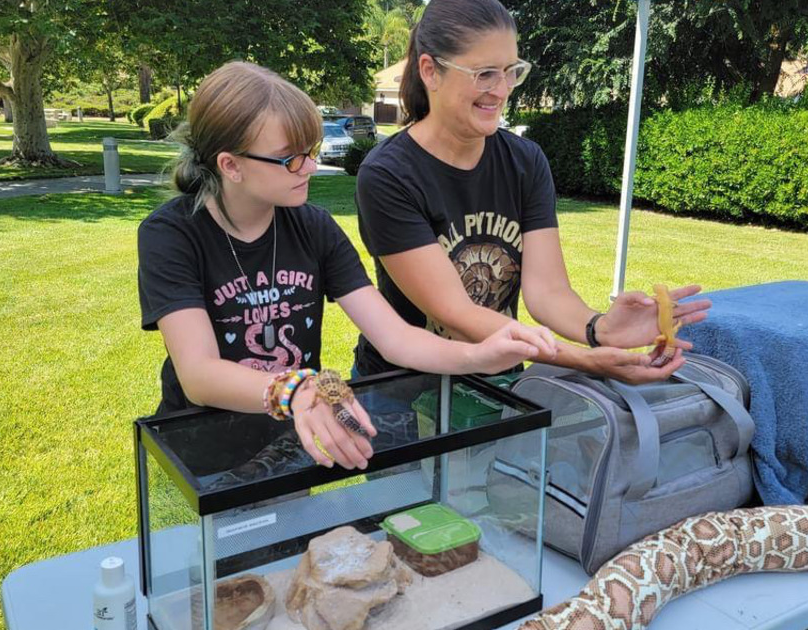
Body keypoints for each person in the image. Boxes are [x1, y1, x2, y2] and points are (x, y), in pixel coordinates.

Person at [137, 61, 557, 472]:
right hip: (201, 455)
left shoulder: (313, 227)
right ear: (231, 165)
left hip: (287, 445)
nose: (311, 168)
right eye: (289, 159)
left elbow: (395, 338)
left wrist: (479, 355)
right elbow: (199, 374)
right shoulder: (172, 235)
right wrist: (297, 389)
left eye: (311, 152)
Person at [354, 0, 711, 382]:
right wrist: (584, 359)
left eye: (511, 72)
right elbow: (456, 314)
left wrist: (601, 328)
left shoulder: (525, 160)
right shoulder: (388, 175)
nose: (501, 89)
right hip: (401, 392)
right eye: (485, 74)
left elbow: (547, 292)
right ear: (431, 71)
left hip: (498, 384)